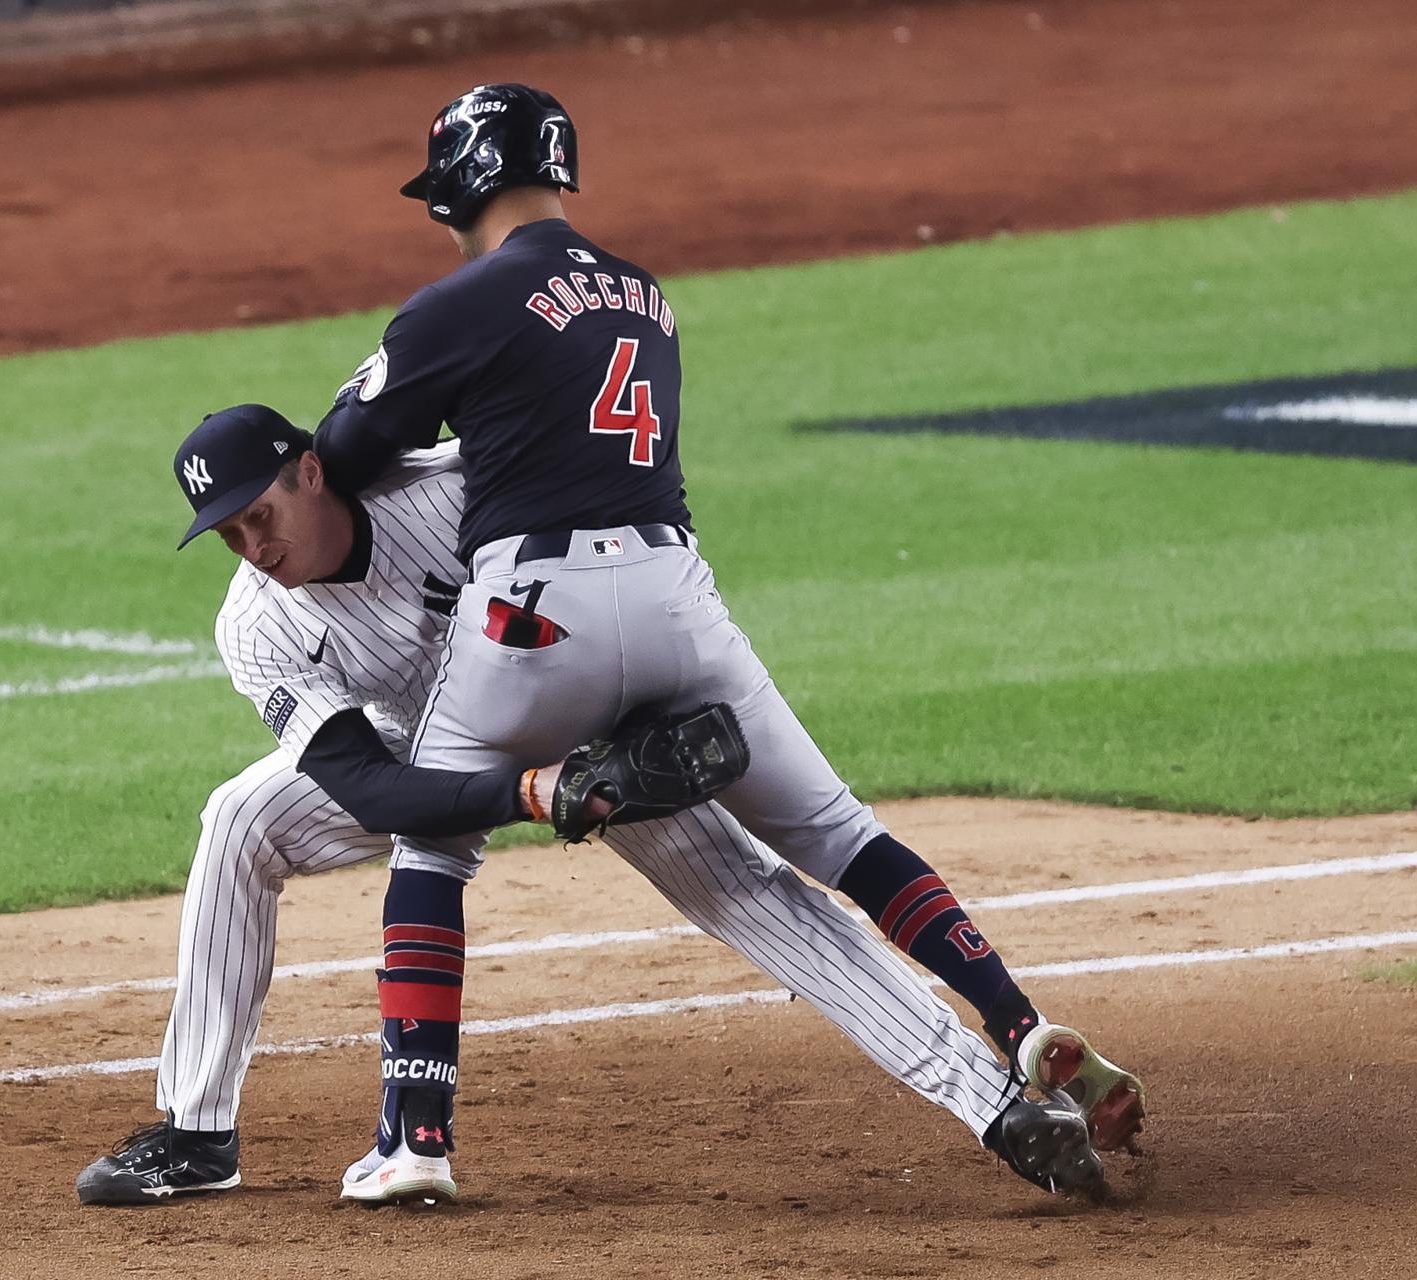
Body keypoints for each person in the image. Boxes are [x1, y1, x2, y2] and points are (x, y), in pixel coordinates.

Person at [310, 84, 1146, 1206]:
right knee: (839, 832)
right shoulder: (646, 296)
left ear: (461, 181)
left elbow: (344, 452)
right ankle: (1015, 1017)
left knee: (433, 841)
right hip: (674, 597)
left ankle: (414, 1137)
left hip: (531, 615)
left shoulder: (456, 303)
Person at [75, 406, 1106, 1206]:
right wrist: (525, 793)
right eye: (227, 532)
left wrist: (607, 725)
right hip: (426, 758)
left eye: (261, 512)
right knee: (241, 819)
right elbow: (364, 785)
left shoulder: (448, 489)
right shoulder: (255, 621)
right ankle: (198, 1131)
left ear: (310, 471)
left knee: (748, 892)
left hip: (574, 716)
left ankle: (997, 1105)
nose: (252, 543)